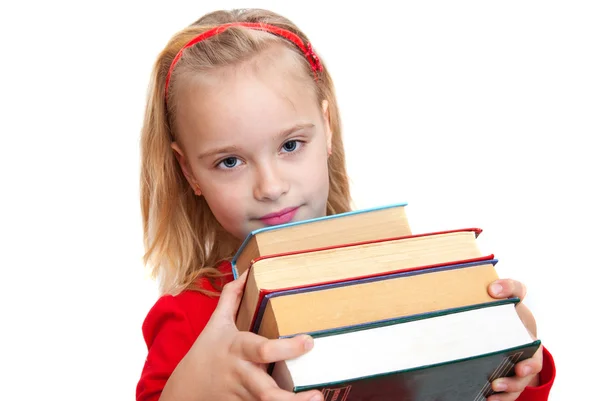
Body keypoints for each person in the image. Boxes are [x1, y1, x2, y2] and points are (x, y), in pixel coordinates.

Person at [135, 8, 556, 401]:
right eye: (230, 161)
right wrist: (192, 388)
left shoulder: (399, 272)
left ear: (328, 128)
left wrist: (514, 364)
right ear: (189, 171)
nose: (270, 186)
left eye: (290, 145)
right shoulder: (190, 318)